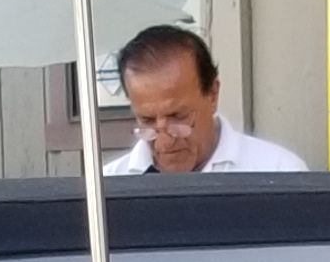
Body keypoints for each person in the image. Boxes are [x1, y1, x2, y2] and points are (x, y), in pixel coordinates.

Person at [106, 25, 305, 173]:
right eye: (147, 121)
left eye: (178, 117)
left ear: (213, 94)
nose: (164, 142)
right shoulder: (104, 191)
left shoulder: (278, 172)